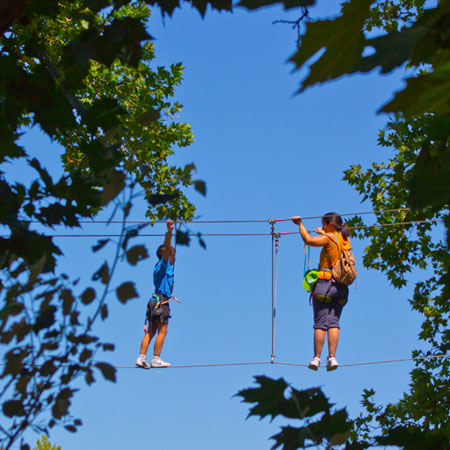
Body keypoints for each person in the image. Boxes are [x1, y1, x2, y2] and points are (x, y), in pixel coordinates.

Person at [291, 212, 352, 371]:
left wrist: (300, 225)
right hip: (341, 288)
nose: (323, 227)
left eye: (324, 224)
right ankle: (332, 358)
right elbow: (334, 242)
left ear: (330, 225)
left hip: (325, 284)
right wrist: (324, 232)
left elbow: (309, 240)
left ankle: (316, 358)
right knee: (334, 323)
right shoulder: (344, 239)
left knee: (320, 324)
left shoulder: (329, 237)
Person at [136, 220, 176, 369]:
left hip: (154, 300)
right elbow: (167, 251)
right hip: (161, 301)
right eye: (173, 255)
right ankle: (156, 358)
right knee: (163, 330)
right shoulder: (163, 265)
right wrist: (169, 232)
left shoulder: (159, 268)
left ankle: (141, 357)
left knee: (151, 332)